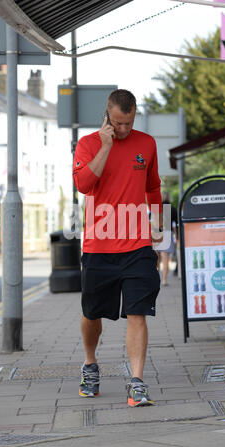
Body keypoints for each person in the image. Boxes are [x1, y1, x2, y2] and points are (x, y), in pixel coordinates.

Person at [73, 89, 162, 407]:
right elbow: (83, 185)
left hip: (138, 243)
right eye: (117, 123)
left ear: (135, 114)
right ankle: (90, 363)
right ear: (107, 115)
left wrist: (158, 222)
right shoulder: (87, 145)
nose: (123, 129)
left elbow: (153, 186)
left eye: (129, 122)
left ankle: (137, 382)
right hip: (99, 243)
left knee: (138, 312)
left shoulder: (147, 143)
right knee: (91, 313)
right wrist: (106, 145)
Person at [155, 192, 178, 286]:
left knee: (157, 258)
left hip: (157, 232)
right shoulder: (172, 209)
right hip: (168, 233)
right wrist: (177, 237)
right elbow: (175, 224)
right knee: (165, 258)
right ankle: (164, 279)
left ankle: (156, 278)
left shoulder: (156, 207)